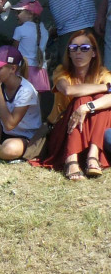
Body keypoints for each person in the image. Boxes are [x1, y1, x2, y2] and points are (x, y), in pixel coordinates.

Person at [31, 29, 111, 179]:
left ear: (94, 53)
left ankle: (92, 154)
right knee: (82, 98)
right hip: (62, 131)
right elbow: (68, 90)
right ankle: (71, 159)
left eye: (84, 48)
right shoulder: (61, 72)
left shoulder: (103, 73)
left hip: (91, 131)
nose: (78, 52)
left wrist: (87, 107)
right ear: (69, 52)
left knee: (98, 101)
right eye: (73, 48)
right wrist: (106, 88)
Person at [10, 0, 50, 75]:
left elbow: (14, 50)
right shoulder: (44, 30)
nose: (16, 15)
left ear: (30, 14)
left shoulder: (20, 29)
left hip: (24, 70)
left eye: (18, 12)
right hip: (41, 71)